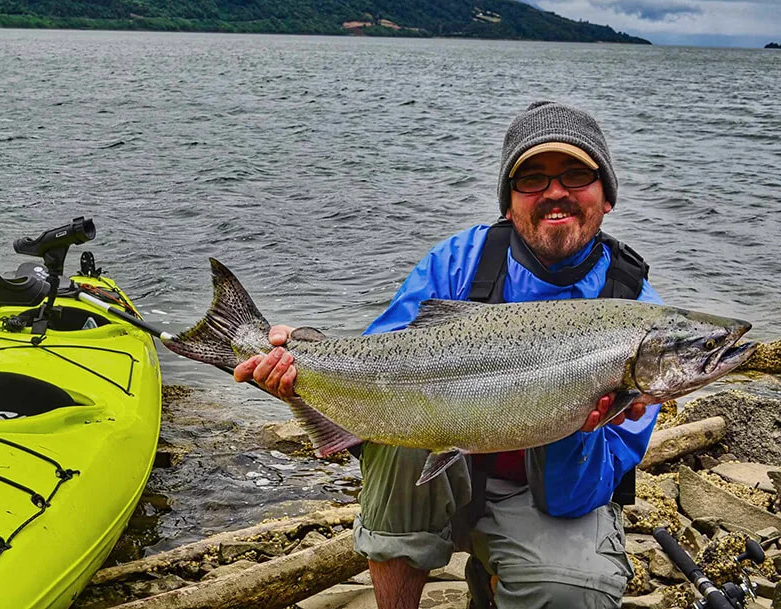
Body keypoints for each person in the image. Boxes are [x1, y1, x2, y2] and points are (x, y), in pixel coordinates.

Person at [234, 100, 662, 609]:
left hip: (545, 496)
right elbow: (375, 365)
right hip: (434, 478)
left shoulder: (638, 318)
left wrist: (578, 431)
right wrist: (301, 355)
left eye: (575, 174)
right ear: (508, 202)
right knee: (397, 426)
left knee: (572, 592)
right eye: (532, 178)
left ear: (606, 195)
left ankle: (498, 576)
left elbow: (578, 498)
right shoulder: (460, 261)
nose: (555, 192)